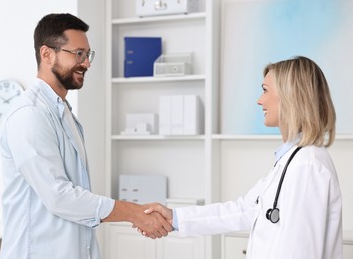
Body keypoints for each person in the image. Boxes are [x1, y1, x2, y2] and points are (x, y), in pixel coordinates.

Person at [0, 13, 172, 259]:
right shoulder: (29, 114)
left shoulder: (65, 114)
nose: (87, 63)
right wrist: (134, 213)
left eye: (88, 55)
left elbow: (78, 203)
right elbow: (59, 197)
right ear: (47, 54)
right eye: (78, 54)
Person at [143, 56, 343, 258]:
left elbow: (300, 251)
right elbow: (243, 210)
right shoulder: (290, 160)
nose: (259, 100)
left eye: (265, 90)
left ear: (291, 96)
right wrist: (175, 217)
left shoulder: (306, 166)